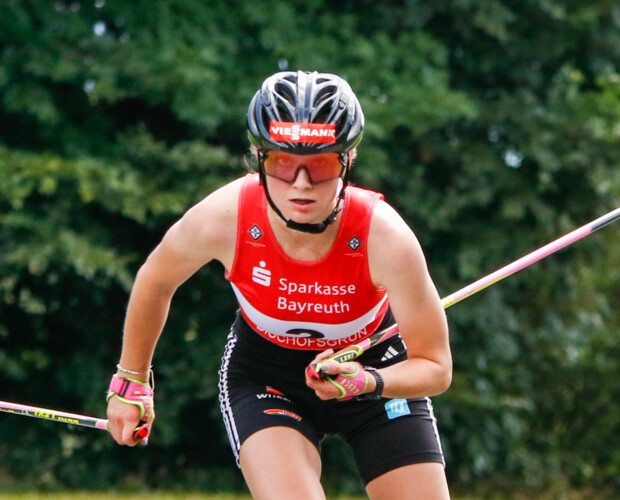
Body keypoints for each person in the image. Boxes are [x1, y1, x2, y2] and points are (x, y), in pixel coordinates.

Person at [106, 70, 452, 499]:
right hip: (266, 376)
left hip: (373, 369)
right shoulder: (223, 218)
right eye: (282, 163)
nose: (301, 184)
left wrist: (368, 381)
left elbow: (436, 368)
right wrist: (131, 381)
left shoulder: (387, 239)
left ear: (348, 160)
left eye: (321, 164)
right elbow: (155, 281)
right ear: (258, 156)